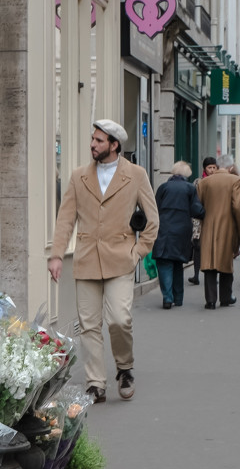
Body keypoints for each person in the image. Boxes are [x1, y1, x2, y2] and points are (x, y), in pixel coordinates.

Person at [48, 119, 158, 403]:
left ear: (114, 144)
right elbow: (65, 219)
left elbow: (153, 220)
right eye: (92, 139)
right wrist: (57, 254)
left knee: (120, 319)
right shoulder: (78, 176)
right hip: (86, 260)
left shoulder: (135, 175)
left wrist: (138, 251)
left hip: (121, 259)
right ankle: (96, 382)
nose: (92, 145)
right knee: (89, 325)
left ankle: (124, 367)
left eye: (99, 141)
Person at [195, 154, 240, 309]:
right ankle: (225, 297)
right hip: (228, 225)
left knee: (210, 262)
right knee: (226, 260)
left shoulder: (204, 182)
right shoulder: (235, 180)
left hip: (208, 225)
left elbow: (199, 206)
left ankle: (210, 300)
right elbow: (237, 207)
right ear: (231, 167)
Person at [153, 161, 204, 309]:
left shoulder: (163, 188)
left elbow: (154, 208)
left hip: (164, 228)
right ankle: (178, 297)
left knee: (164, 262)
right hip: (182, 230)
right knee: (177, 263)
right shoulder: (190, 188)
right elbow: (196, 210)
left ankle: (167, 297)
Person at [188, 156, 219, 285]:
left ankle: (213, 275)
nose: (212, 170)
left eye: (214, 167)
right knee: (197, 246)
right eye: (209, 167)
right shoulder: (198, 182)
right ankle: (196, 275)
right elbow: (193, 201)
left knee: (214, 246)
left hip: (214, 218)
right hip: (198, 218)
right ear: (204, 168)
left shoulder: (219, 182)